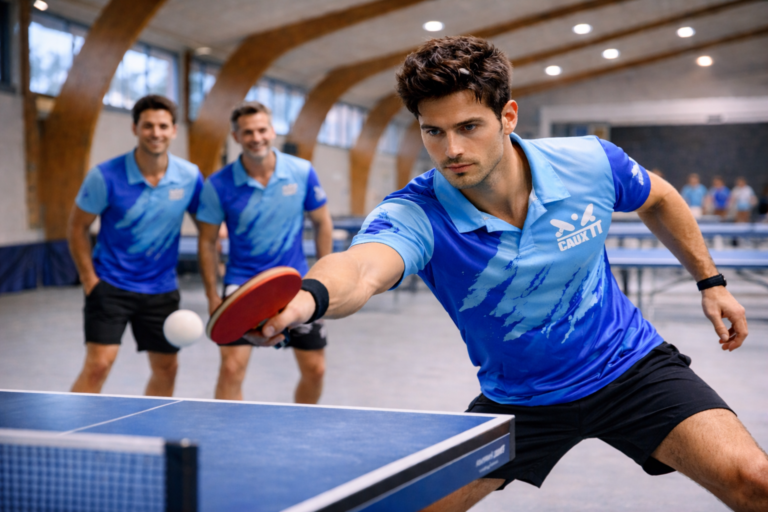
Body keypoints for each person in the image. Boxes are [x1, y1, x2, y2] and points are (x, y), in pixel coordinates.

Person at [248, 37, 767, 511]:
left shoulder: (589, 162)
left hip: (628, 369)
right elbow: (361, 270)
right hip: (519, 399)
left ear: (508, 116)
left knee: (754, 479)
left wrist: (711, 282)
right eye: (434, 131)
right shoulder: (416, 212)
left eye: (468, 127)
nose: (451, 149)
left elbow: (659, 197)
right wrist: (307, 298)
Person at [196, 102, 333, 403]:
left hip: (296, 284)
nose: (256, 137)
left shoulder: (301, 172)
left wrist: (324, 278)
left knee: (316, 370)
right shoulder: (218, 184)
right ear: (236, 137)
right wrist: (211, 296)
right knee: (232, 368)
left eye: (261, 130)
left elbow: (322, 223)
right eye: (247, 132)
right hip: (242, 284)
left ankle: (301, 425)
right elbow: (206, 242)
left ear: (272, 131)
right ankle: (229, 437)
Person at [68, 95, 203, 396]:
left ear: (174, 131)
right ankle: (71, 436)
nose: (156, 132)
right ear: (135, 128)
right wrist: (90, 280)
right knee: (99, 365)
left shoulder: (190, 177)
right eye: (148, 126)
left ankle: (152, 431)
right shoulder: (105, 176)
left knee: (167, 369)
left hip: (161, 290)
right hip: (111, 285)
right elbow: (77, 227)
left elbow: (207, 224)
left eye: (163, 126)